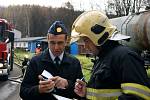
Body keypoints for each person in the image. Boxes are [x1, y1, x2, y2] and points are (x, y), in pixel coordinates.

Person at [71, 10, 150, 100]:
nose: (85, 46)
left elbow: (138, 97)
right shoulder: (103, 59)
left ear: (97, 36)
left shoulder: (126, 57)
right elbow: (104, 94)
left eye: (86, 40)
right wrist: (86, 93)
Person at [20, 21, 84, 100]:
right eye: (52, 43)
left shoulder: (75, 63)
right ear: (47, 38)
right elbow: (23, 92)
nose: (56, 47)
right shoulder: (35, 61)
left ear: (66, 40)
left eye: (60, 43)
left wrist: (67, 84)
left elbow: (82, 93)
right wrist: (39, 89)